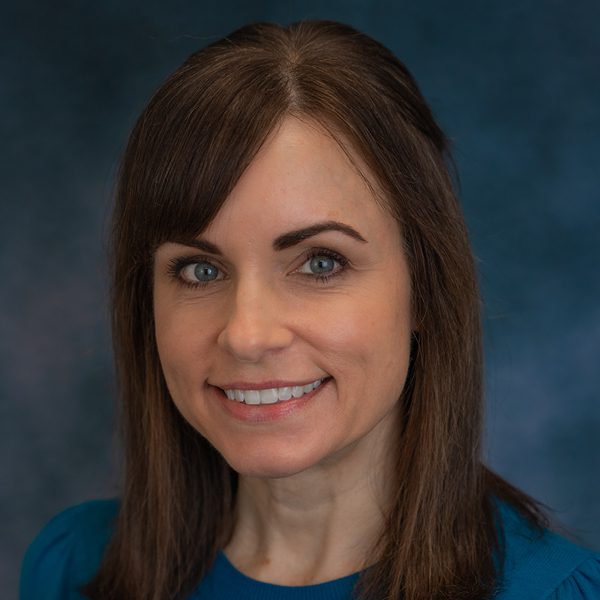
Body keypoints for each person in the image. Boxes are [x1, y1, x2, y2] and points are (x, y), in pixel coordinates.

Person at [20, 20, 599, 600]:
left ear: (424, 286)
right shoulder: (74, 570)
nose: (247, 335)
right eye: (201, 270)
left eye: (321, 263)